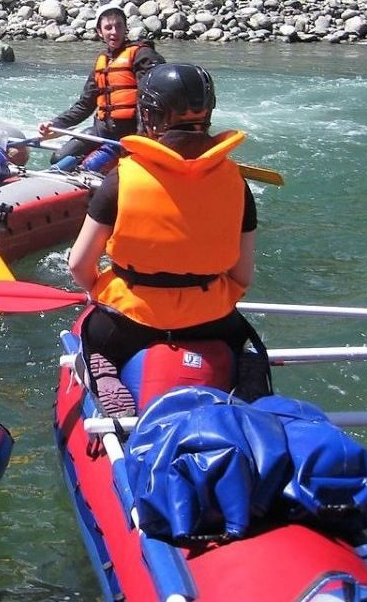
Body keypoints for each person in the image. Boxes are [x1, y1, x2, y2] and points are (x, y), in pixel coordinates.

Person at [66, 63, 259, 417]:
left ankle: (102, 369)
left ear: (150, 116)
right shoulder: (237, 183)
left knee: (91, 337)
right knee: (239, 339)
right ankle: (245, 371)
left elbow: (79, 264)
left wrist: (99, 291)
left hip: (130, 324)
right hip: (213, 322)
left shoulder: (120, 180)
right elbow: (243, 276)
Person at [39, 3, 165, 164]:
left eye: (119, 26)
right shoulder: (102, 61)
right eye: (108, 27)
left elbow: (151, 100)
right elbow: (85, 105)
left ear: (126, 28)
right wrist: (56, 123)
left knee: (94, 165)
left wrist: (143, 138)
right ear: (100, 32)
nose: (114, 32)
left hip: (133, 133)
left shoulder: (142, 55)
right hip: (102, 131)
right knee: (59, 158)